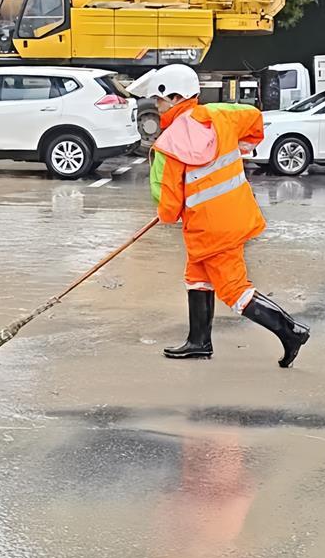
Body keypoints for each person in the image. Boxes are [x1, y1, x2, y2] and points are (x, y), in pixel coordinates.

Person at [132, 64, 310, 368]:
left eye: (159, 101)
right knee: (197, 278)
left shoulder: (169, 144)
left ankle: (290, 331)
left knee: (234, 289)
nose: (156, 107)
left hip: (209, 229)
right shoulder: (221, 115)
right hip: (232, 216)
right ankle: (199, 342)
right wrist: (244, 145)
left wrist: (163, 213)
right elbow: (254, 119)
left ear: (174, 97)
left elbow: (169, 205)